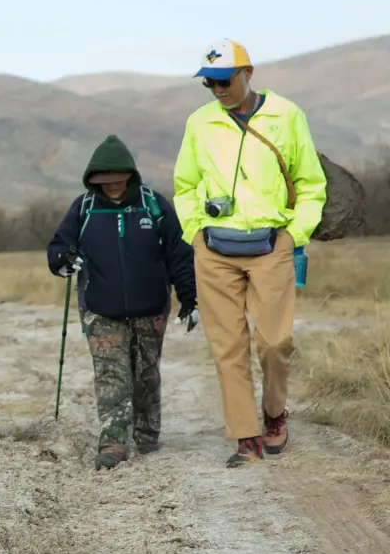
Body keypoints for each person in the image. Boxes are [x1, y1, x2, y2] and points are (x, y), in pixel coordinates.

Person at [172, 39, 327, 468]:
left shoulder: (286, 115)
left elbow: (311, 184)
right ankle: (246, 435)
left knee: (275, 342)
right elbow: (184, 186)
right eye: (209, 84)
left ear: (248, 73)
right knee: (227, 346)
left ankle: (274, 412)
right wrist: (194, 233)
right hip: (215, 249)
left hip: (271, 245)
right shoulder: (199, 123)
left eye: (225, 81)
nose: (218, 91)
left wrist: (294, 234)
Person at [47, 134, 196, 470]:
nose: (112, 187)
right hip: (100, 309)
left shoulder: (153, 205)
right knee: (111, 375)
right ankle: (113, 442)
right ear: (93, 180)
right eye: (104, 181)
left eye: (117, 180)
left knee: (145, 374)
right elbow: (58, 248)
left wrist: (190, 298)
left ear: (130, 175)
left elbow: (179, 254)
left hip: (151, 307)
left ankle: (146, 433)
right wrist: (63, 260)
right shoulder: (83, 208)